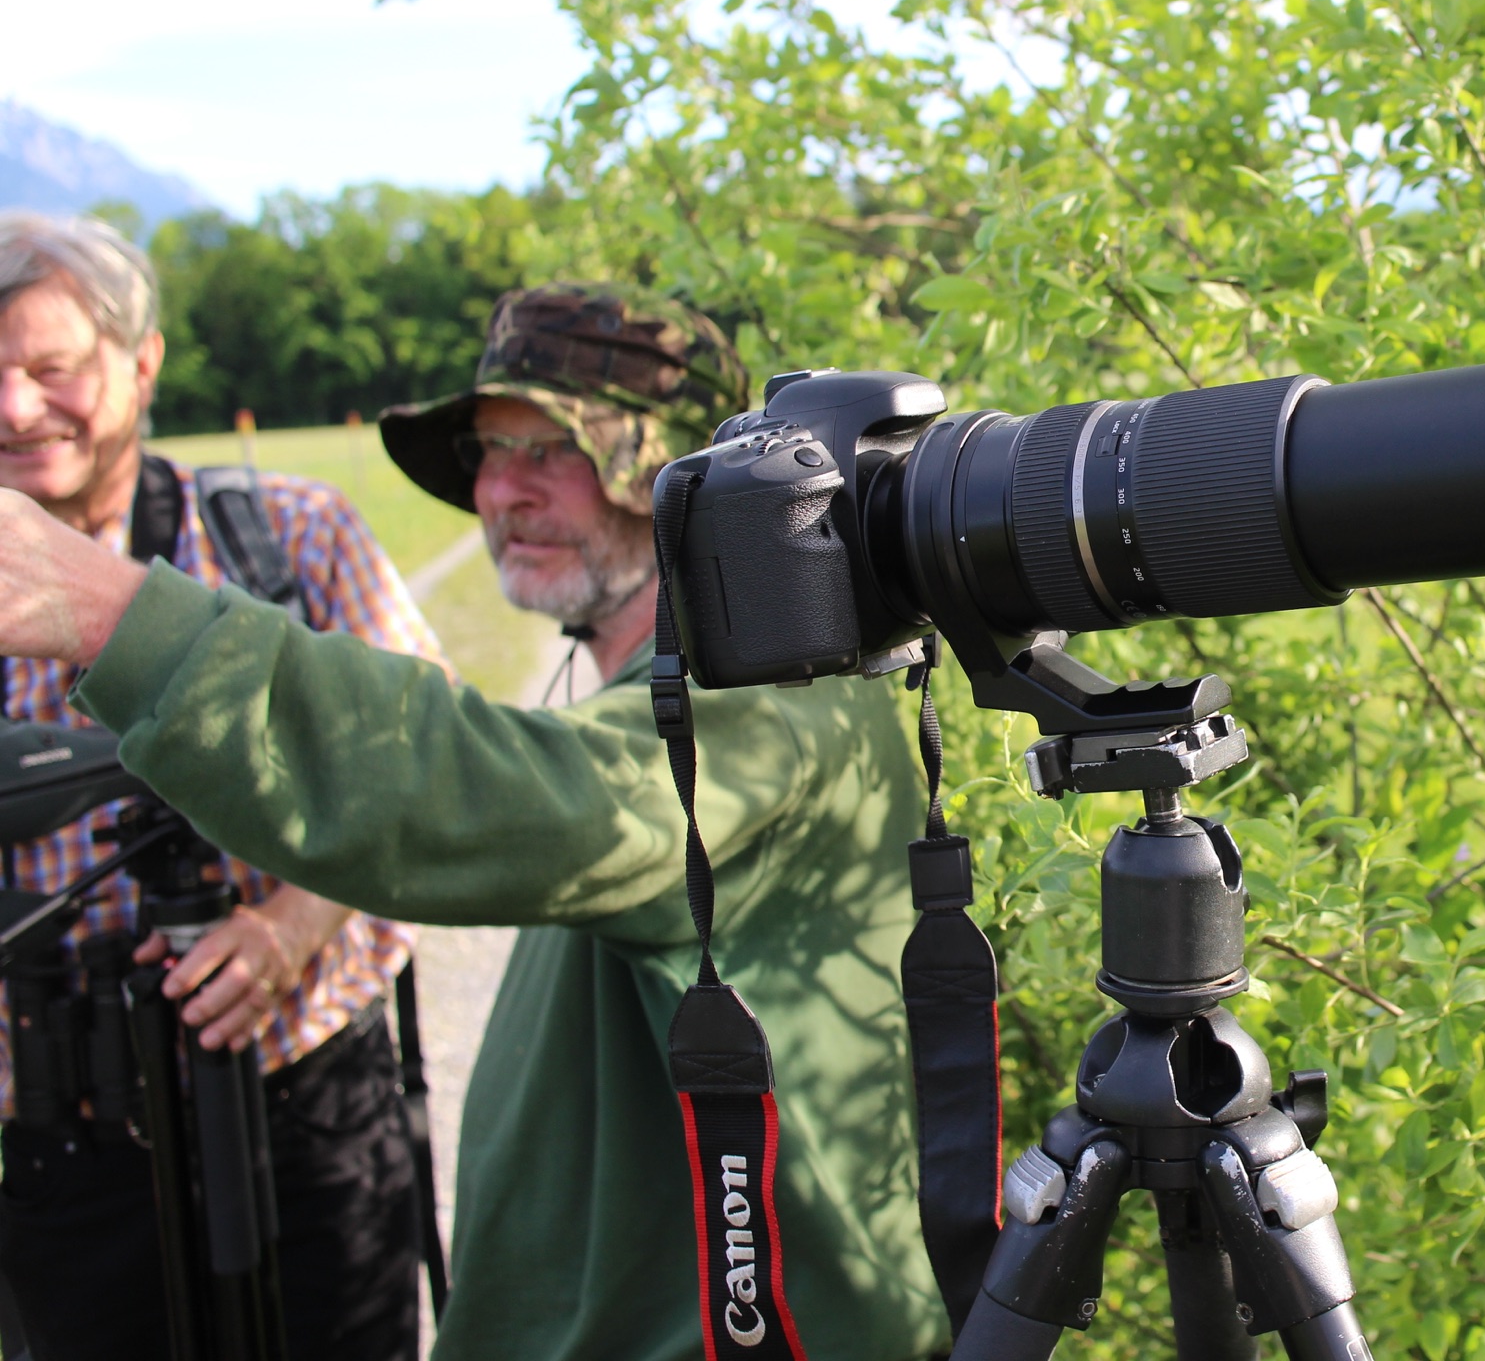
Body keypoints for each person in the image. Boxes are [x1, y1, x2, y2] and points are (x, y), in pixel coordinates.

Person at [0, 279, 949, 1360]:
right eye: (490, 452)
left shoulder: (777, 703)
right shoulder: (667, 684)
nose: (502, 491)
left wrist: (110, 613)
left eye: (553, 450)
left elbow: (491, 797)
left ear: (680, 482)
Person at [0, 211, 433, 1358]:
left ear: (141, 362)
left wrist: (290, 926)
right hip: (57, 1143)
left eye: (52, 369)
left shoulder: (286, 537)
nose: (16, 409)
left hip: (305, 1108)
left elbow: (430, 770)